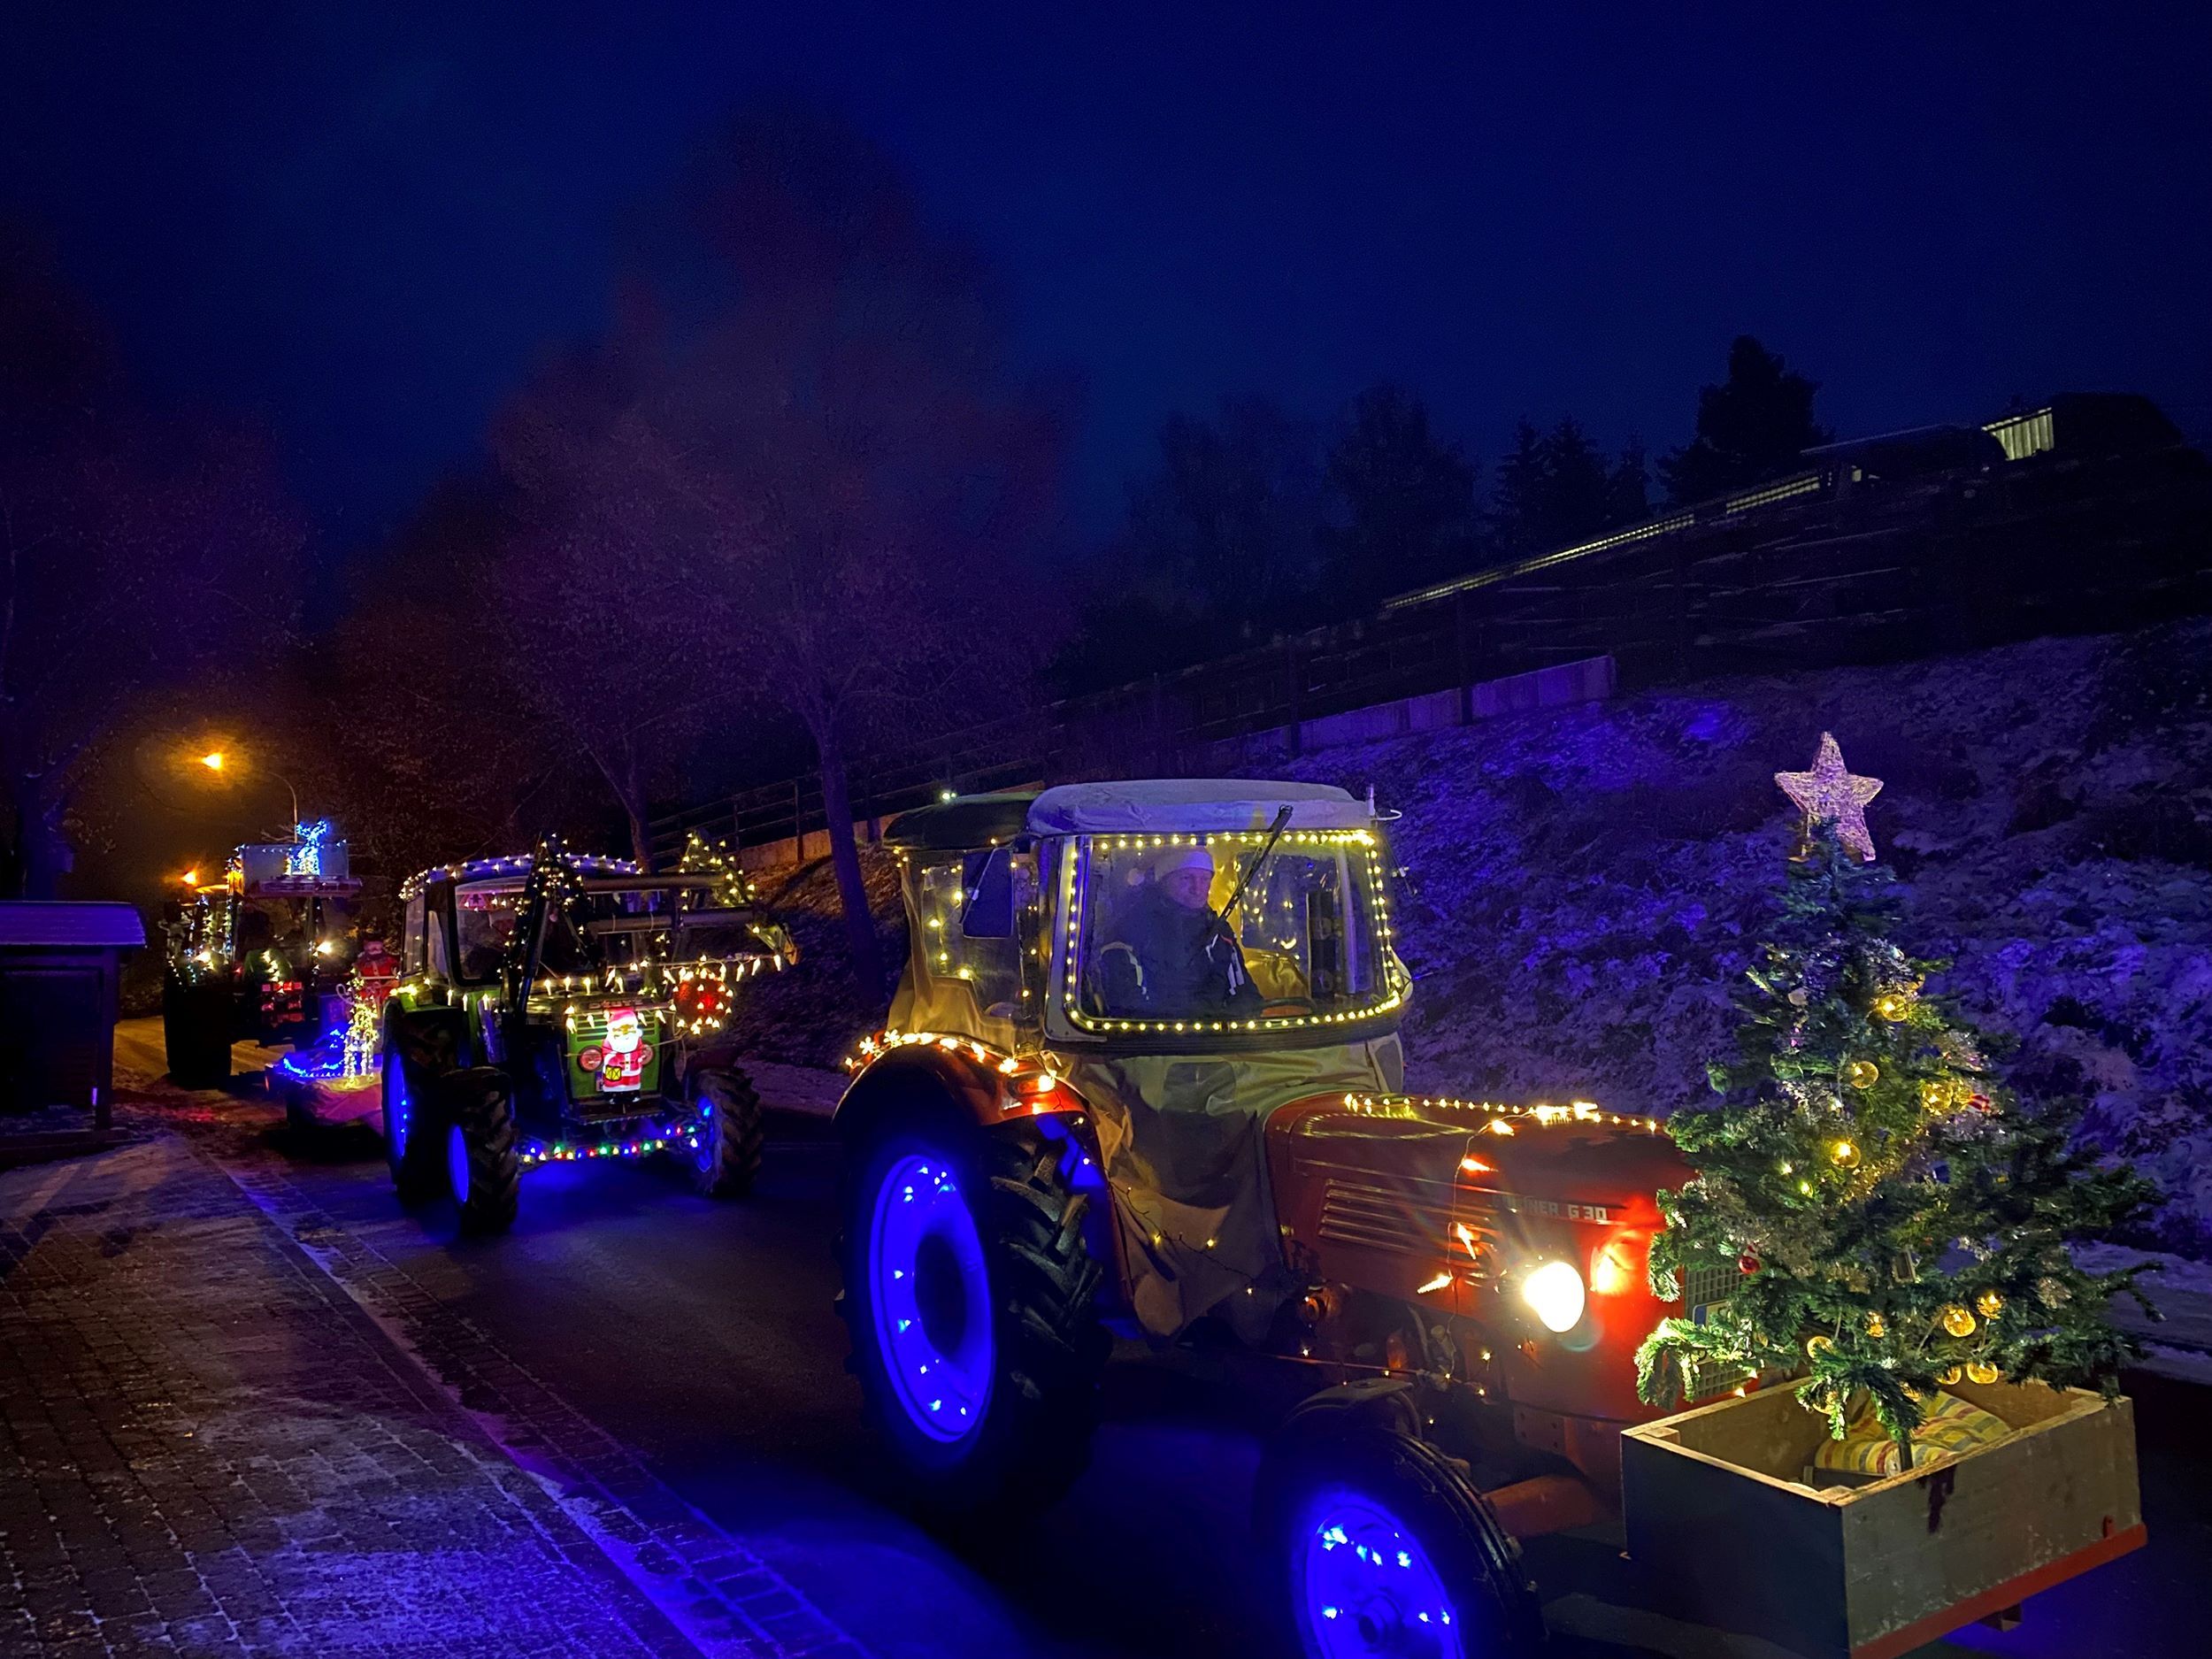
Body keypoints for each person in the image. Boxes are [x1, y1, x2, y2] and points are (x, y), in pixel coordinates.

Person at [1095, 846, 1261, 1016]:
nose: (1197, 888)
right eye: (1186, 878)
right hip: (1157, 1040)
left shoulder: (1219, 932)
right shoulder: (1131, 928)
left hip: (1217, 1038)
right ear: (1163, 880)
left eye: (1204, 879)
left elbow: (1245, 994)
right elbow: (1128, 1006)